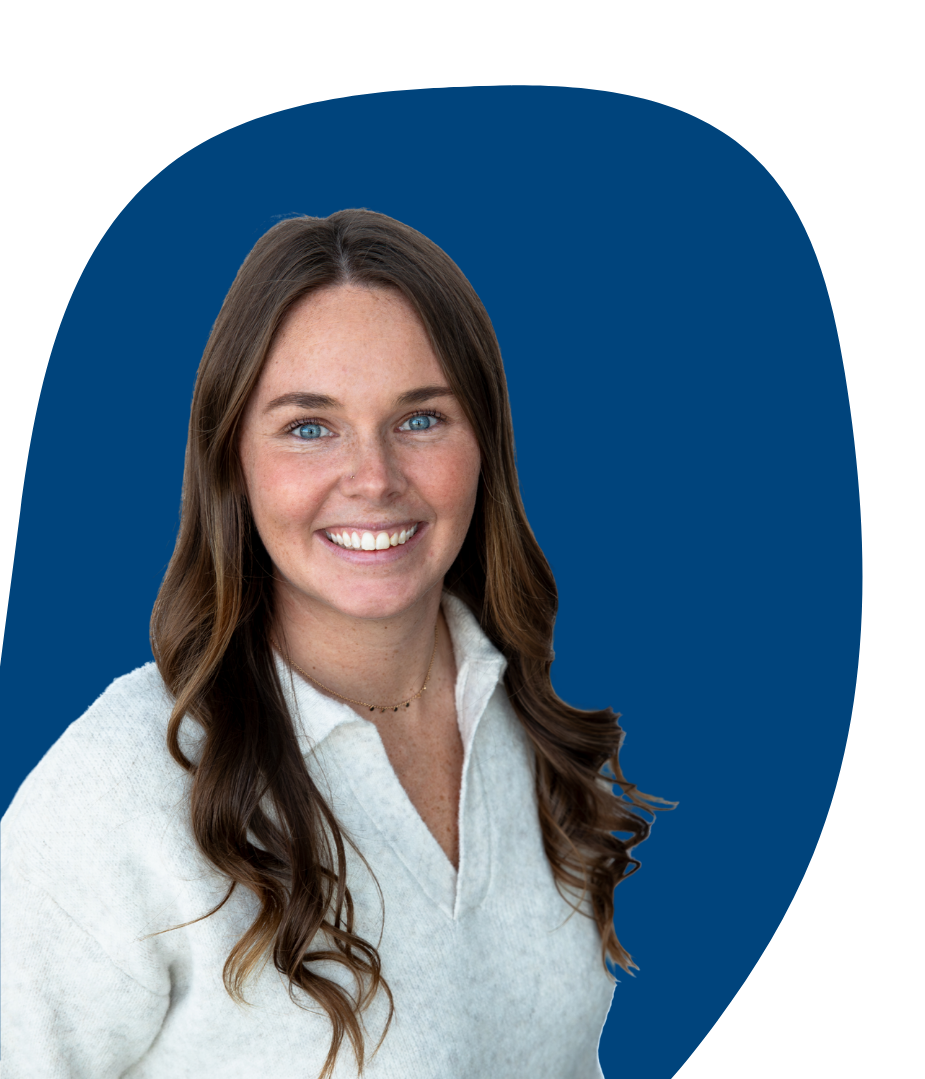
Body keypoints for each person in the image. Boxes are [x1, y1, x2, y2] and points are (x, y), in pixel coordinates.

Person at [1, 209, 671, 1078]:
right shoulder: (127, 784)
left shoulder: (528, 730)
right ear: (231, 464)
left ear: (486, 446)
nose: (374, 478)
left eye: (421, 419)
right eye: (309, 427)